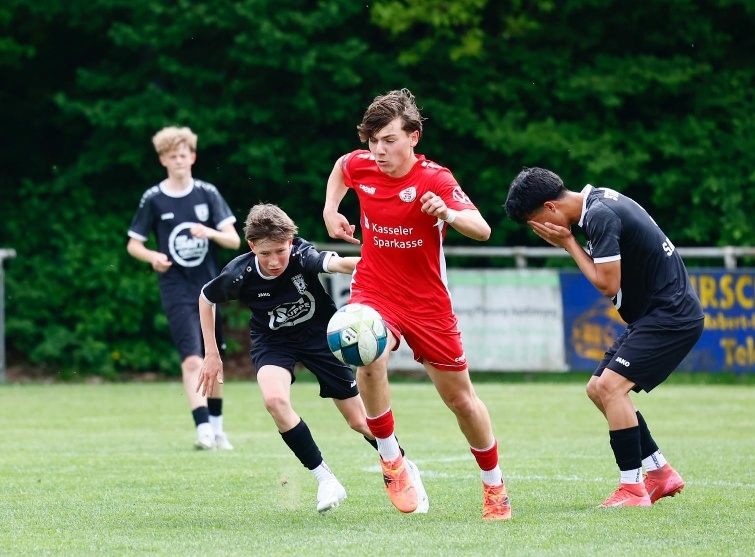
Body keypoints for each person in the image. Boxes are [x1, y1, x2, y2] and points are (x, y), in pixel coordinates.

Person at [322, 89, 511, 520]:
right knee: (367, 355)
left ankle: (494, 486)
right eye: (373, 141)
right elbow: (341, 166)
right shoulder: (362, 165)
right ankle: (392, 460)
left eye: (389, 140)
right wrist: (331, 209)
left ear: (413, 137)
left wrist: (447, 213)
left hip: (428, 304)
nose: (379, 150)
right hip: (375, 290)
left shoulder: (435, 179)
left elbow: (482, 229)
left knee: (461, 400)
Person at [196, 203, 427, 514]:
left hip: (322, 338)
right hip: (273, 341)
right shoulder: (239, 273)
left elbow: (339, 263)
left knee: (359, 421)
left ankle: (403, 466)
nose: (274, 261)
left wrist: (388, 267)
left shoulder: (302, 255)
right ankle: (326, 479)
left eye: (280, 251)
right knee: (274, 400)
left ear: (290, 242)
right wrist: (212, 353)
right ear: (251, 247)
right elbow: (206, 298)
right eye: (265, 253)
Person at [503, 167, 705, 507]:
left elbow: (607, 284)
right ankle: (660, 472)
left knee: (611, 387)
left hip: (671, 316)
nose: (540, 231)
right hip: (654, 316)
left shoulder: (599, 215)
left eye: (536, 223)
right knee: (598, 388)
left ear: (551, 207)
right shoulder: (598, 203)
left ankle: (632, 488)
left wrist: (568, 243)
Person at [127, 126, 241, 451]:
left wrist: (210, 232)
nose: (178, 160)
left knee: (213, 357)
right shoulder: (153, 198)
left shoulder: (207, 193)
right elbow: (134, 244)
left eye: (183, 155)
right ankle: (203, 430)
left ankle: (218, 429)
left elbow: (234, 240)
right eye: (172, 156)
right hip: (176, 288)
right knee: (192, 359)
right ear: (163, 160)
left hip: (210, 289)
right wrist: (153, 257)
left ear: (192, 157)